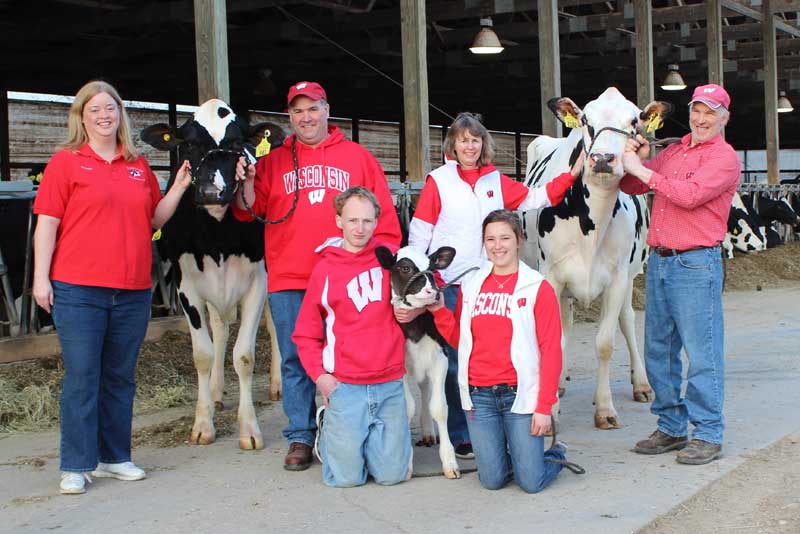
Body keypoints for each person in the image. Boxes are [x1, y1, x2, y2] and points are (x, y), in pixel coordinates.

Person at [32, 80, 190, 495]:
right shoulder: (66, 162)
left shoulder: (137, 164)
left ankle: (114, 456)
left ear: (120, 114)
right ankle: (76, 463)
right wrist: (39, 278)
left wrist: (177, 188)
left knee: (120, 376)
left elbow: (154, 220)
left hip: (133, 288)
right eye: (95, 110)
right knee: (83, 376)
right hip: (78, 287)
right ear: (81, 117)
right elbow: (47, 221)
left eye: (110, 108)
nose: (104, 116)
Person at [233, 81, 402, 471]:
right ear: (289, 116)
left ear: (327, 109)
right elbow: (248, 210)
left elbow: (385, 220)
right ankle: (300, 435)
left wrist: (383, 265)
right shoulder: (274, 161)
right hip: (291, 275)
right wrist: (245, 179)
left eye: (313, 108)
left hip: (346, 275)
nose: (305, 117)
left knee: (352, 352)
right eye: (297, 111)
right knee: (295, 357)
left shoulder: (358, 158)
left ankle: (352, 425)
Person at [404, 112, 583, 458]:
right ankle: (462, 433)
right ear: (452, 145)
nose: (469, 145)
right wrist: (420, 278)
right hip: (452, 284)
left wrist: (571, 176)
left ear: (482, 144)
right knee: (457, 359)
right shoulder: (438, 181)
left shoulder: (495, 180)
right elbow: (421, 231)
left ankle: (496, 423)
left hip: (488, 283)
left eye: (475, 139)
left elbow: (534, 198)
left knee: (495, 354)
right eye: (462, 140)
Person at [621, 83, 740, 465]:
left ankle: (707, 432)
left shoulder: (724, 159)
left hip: (694, 263)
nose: (702, 119)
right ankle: (671, 427)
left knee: (701, 351)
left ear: (724, 118)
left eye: (710, 112)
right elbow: (633, 183)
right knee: (658, 349)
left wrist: (641, 167)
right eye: (697, 111)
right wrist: (636, 156)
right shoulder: (673, 150)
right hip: (659, 260)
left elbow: (688, 196)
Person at [426, 209, 573, 493]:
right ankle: (518, 457)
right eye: (490, 239)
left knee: (531, 483)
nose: (497, 246)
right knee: (491, 480)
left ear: (519, 240)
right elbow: (461, 341)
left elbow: (551, 350)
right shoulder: (472, 284)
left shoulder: (536, 287)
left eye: (505, 238)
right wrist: (439, 312)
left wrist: (544, 407)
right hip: (480, 396)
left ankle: (555, 455)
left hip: (520, 393)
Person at [291, 186, 410, 488]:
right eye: (353, 220)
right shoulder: (325, 269)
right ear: (338, 221)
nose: (360, 228)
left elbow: (418, 300)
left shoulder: (391, 263)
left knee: (391, 476)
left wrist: (414, 312)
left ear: (377, 222)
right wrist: (320, 377)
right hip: (346, 385)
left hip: (388, 383)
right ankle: (328, 427)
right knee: (345, 479)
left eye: (368, 221)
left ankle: (370, 442)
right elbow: (305, 333)